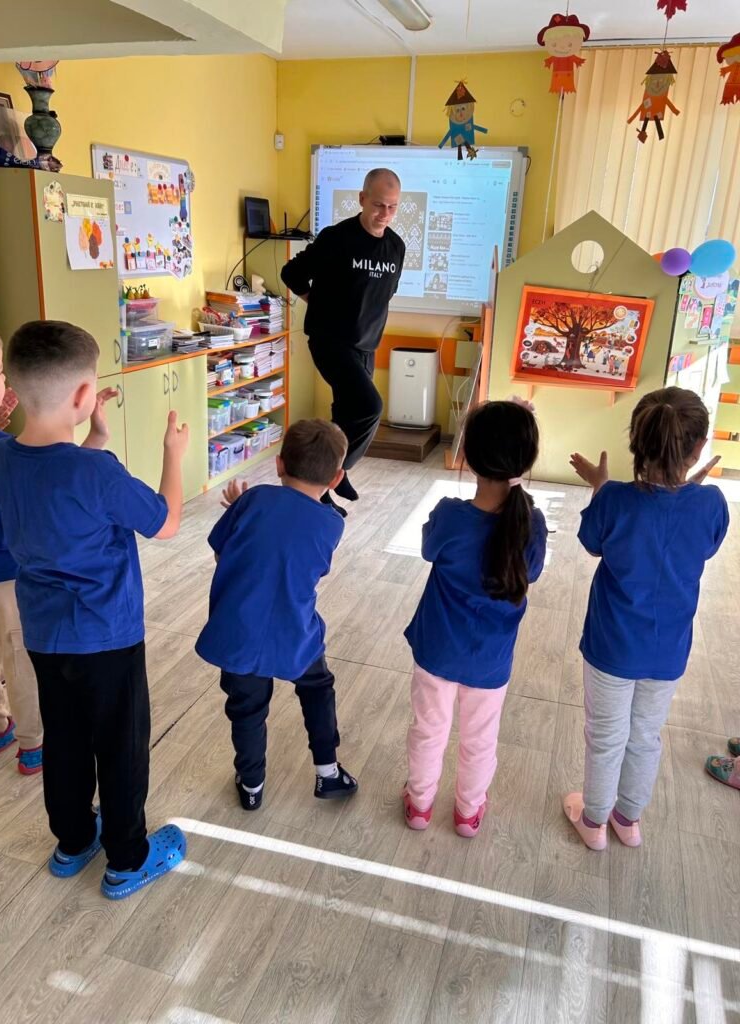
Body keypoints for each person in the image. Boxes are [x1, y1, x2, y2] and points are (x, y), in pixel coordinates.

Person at [0, 321, 190, 899]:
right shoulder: (95, 473)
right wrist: (172, 454)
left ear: (15, 389)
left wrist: (94, 434)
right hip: (107, 638)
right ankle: (128, 857)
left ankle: (74, 840)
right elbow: (166, 522)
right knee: (121, 746)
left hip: (44, 636)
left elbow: (58, 489)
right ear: (82, 394)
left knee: (66, 738)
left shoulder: (1, 458)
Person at [565, 387, 729, 850]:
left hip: (611, 647)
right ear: (698, 447)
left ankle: (594, 822)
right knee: (644, 736)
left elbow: (592, 543)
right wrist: (690, 489)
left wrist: (600, 486)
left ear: (636, 442)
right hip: (668, 652)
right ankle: (628, 819)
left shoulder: (614, 499)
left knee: (606, 736)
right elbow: (701, 542)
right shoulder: (712, 504)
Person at [196, 419, 358, 810]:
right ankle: (327, 772)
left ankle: (251, 785)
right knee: (317, 688)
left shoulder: (253, 500)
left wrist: (241, 510)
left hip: (238, 633)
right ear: (336, 479)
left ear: (279, 463)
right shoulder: (331, 523)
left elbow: (222, 554)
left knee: (247, 709)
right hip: (295, 632)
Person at [402, 401, 547, 838]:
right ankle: (468, 812)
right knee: (480, 739)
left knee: (428, 731)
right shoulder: (531, 524)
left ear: (466, 453)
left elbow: (428, 549)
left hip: (437, 651)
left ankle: (419, 806)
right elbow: (532, 572)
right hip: (490, 660)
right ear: (526, 461)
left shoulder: (450, 515)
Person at [280, 169, 406, 516]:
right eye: (378, 205)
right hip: (330, 340)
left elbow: (384, 294)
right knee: (370, 406)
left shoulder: (396, 247)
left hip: (366, 345)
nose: (384, 214)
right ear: (362, 199)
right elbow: (291, 273)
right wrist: (316, 302)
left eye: (392, 207)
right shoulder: (336, 238)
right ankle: (334, 473)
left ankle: (324, 488)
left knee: (346, 414)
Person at [0, 322, 43, 774]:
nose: (6, 379)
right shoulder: (0, 447)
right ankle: (34, 743)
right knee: (21, 660)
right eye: (0, 371)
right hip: (4, 574)